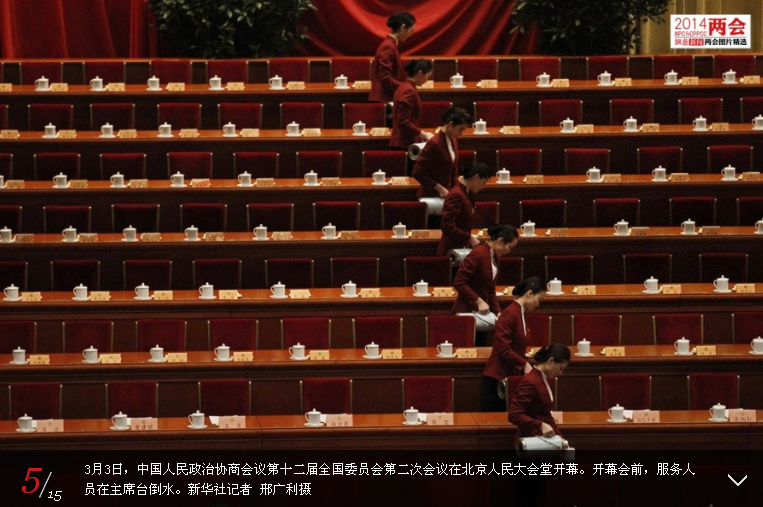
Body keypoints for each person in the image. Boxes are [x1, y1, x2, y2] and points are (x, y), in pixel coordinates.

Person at [481, 276, 546, 412]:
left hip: (508, 376)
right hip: (496, 380)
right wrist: (524, 364)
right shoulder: (510, 314)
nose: (539, 304)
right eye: (539, 299)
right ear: (529, 294)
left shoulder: (520, 313)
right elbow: (503, 348)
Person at [452, 224, 519, 340]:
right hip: (466, 313)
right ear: (500, 241)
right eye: (510, 247)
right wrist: (478, 301)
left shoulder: (495, 257)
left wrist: (498, 312)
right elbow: (458, 282)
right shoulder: (478, 254)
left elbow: (491, 289)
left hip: (482, 317)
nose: (509, 251)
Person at [508, 342, 571, 441]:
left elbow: (545, 415)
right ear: (551, 361)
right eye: (560, 368)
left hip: (541, 439)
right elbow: (514, 414)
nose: (561, 373)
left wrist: (561, 439)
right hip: (531, 441)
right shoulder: (530, 381)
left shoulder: (543, 378)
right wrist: (540, 425)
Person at [412, 106, 471, 200]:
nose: (461, 133)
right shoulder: (434, 143)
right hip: (430, 197)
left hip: (446, 196)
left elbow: (453, 170)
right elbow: (417, 172)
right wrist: (438, 187)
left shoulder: (453, 140)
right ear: (451, 125)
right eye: (460, 129)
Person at [437, 162, 491, 256]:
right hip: (451, 252)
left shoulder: (465, 193)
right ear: (476, 177)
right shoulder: (457, 194)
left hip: (458, 249)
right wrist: (468, 238)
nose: (482, 187)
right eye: (483, 183)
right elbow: (447, 225)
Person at [369, 11, 416, 103]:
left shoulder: (391, 45)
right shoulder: (388, 46)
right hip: (384, 98)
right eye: (411, 30)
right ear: (403, 28)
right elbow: (385, 78)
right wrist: (405, 86)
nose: (410, 35)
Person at [389, 59, 434, 150]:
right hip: (404, 143)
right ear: (420, 73)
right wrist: (422, 133)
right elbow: (403, 121)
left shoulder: (404, 86)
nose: (427, 80)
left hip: (402, 141)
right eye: (427, 76)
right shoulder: (409, 90)